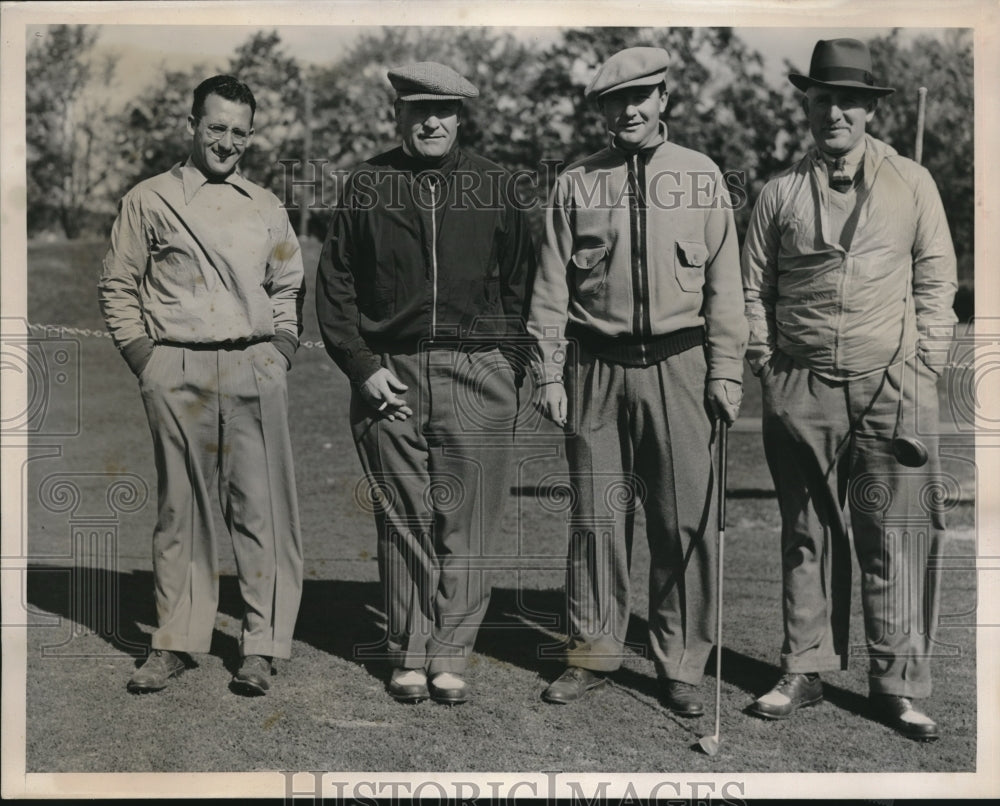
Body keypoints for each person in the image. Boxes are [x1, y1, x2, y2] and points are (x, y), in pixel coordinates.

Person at [741, 39, 957, 740]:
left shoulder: (913, 183)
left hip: (892, 382)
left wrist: (923, 368)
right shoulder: (777, 192)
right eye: (822, 99)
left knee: (897, 535)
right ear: (807, 104)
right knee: (806, 533)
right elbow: (753, 290)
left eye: (849, 101)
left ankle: (898, 685)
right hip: (800, 384)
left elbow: (936, 284)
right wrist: (767, 364)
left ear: (869, 110)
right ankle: (804, 669)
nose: (834, 112)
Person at [527, 46, 747, 716]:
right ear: (600, 110)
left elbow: (726, 289)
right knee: (596, 520)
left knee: (683, 523)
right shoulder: (575, 182)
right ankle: (593, 651)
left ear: (663, 101)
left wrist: (726, 373)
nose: (627, 111)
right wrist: (549, 372)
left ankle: (680, 663)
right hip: (595, 367)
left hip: (680, 367)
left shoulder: (702, 177)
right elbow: (548, 289)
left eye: (640, 97)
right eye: (612, 102)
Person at [315, 62, 534, 705]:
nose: (431, 121)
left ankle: (451, 654)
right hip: (391, 374)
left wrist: (510, 364)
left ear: (462, 117)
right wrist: (362, 366)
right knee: (404, 519)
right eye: (418, 110)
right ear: (398, 115)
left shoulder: (499, 185)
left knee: (469, 525)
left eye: (444, 111)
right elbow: (336, 288)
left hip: (478, 370)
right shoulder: (366, 184)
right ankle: (410, 654)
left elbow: (522, 283)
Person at [98, 75, 305, 696]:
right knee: (179, 511)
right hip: (176, 367)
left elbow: (288, 283)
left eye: (239, 132)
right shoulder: (150, 198)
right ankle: (176, 642)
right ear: (192, 125)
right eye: (216, 127)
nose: (226, 141)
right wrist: (146, 359)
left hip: (253, 367)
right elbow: (118, 284)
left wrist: (282, 351)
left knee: (262, 511)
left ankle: (262, 646)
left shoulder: (265, 202)